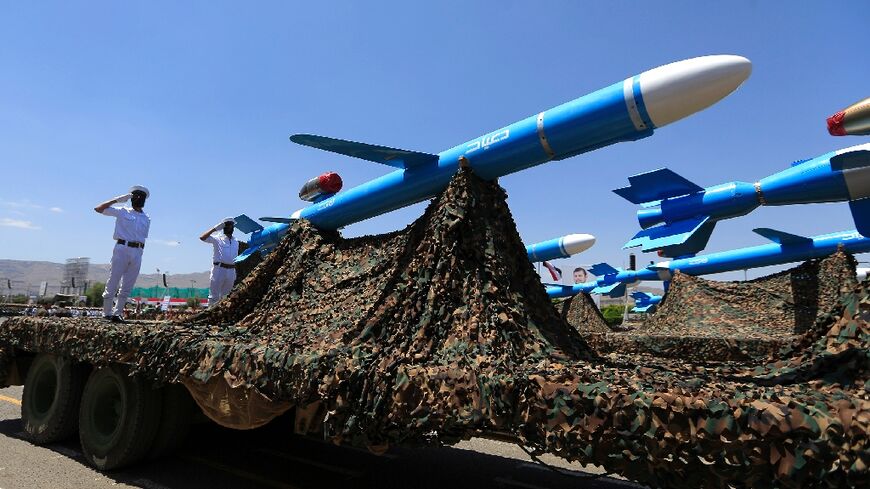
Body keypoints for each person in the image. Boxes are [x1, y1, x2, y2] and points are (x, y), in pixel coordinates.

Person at [94, 185, 151, 322]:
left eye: (141, 197)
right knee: (113, 280)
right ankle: (107, 313)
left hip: (138, 251)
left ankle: (118, 313)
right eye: (135, 196)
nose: (138, 198)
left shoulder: (147, 218)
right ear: (130, 198)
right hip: (122, 248)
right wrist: (117, 200)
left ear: (144, 200)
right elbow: (98, 209)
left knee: (127, 285)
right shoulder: (122, 211)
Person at [200, 217, 239, 307]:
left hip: (231, 270)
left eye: (231, 225)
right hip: (219, 269)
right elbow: (202, 237)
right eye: (227, 225)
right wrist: (215, 228)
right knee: (214, 297)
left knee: (226, 296)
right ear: (223, 227)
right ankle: (210, 315)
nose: (230, 227)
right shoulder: (217, 238)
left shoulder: (235, 241)